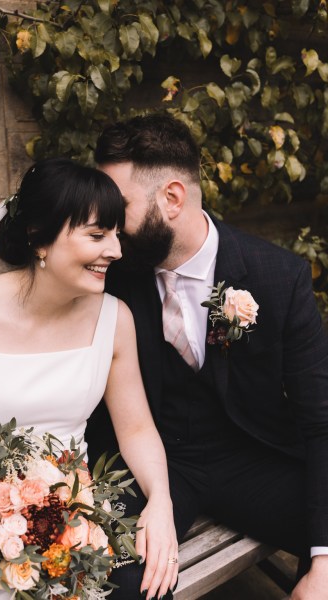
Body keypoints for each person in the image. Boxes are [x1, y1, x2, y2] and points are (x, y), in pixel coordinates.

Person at [85, 113, 328, 599]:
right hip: (149, 461)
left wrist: (323, 566)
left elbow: (320, 421)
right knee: (125, 584)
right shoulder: (109, 269)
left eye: (121, 207)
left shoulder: (279, 277)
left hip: (250, 459)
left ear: (172, 199)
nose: (109, 228)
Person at [0, 158, 178, 600]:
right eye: (97, 235)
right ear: (38, 238)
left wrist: (160, 501)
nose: (116, 250)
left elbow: (136, 428)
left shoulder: (115, 320)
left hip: (66, 529)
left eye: (116, 234)